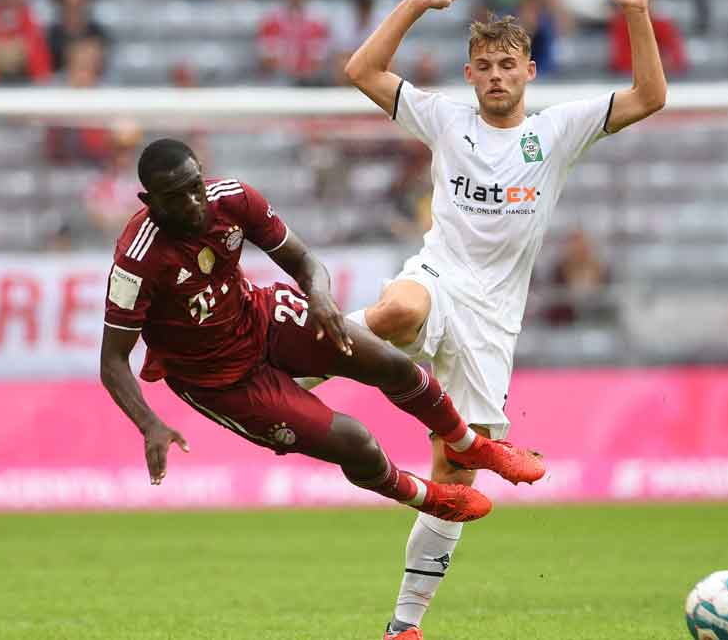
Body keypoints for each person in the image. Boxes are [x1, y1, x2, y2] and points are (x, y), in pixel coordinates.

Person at [337, 0, 667, 637]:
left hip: (492, 321)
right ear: (468, 74)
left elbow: (650, 96)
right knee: (400, 311)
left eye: (507, 65)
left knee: (453, 482)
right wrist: (417, 2)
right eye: (484, 65)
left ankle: (403, 626)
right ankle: (288, 352)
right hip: (439, 275)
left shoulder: (556, 132)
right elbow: (361, 71)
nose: (495, 75)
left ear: (529, 72)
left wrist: (635, 9)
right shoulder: (444, 118)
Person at [99, 139, 546, 526]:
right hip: (220, 382)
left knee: (391, 363)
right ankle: (428, 498)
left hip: (262, 318)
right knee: (357, 442)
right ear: (149, 200)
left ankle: (469, 445)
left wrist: (319, 295)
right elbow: (113, 361)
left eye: (195, 187)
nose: (193, 203)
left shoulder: (232, 199)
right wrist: (149, 424)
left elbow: (303, 260)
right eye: (176, 197)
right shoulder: (136, 260)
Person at [47, 0, 110, 73]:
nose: (73, 11)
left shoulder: (97, 34)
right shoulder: (51, 36)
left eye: (79, 5)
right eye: (68, 5)